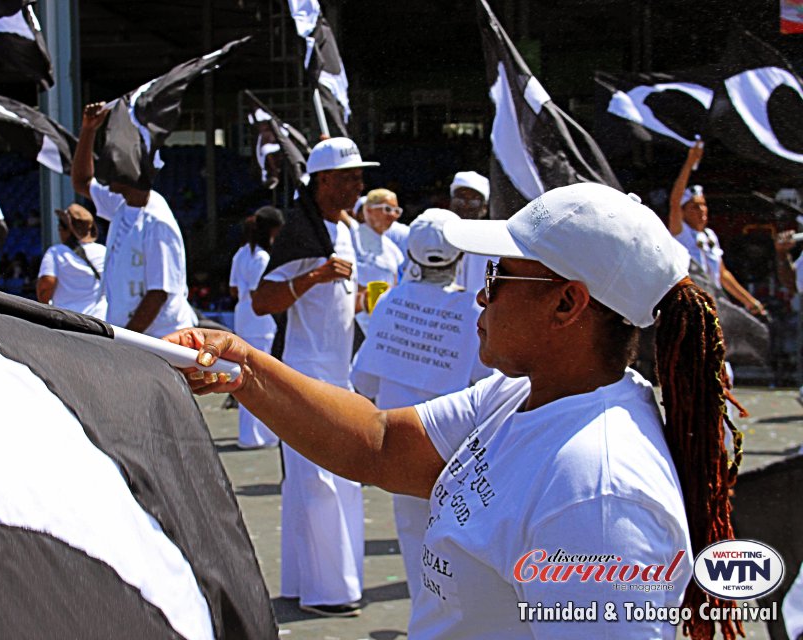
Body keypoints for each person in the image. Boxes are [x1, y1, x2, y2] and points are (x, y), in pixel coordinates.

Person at [169, 183, 744, 640]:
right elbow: (379, 442)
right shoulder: (520, 395)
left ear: (568, 303)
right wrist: (242, 366)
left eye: (498, 275)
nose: (480, 293)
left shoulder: (598, 491)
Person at [249, 136, 378, 618]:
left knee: (330, 479)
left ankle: (316, 584)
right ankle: (330, 592)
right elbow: (263, 301)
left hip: (337, 372)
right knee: (321, 480)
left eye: (359, 176)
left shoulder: (343, 228)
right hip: (305, 372)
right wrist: (315, 276)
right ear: (323, 181)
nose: (358, 184)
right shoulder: (301, 233)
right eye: (350, 177)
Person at [351, 208, 490, 601]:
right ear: (460, 257)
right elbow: (487, 378)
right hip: (456, 446)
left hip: (399, 445)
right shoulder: (474, 310)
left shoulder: (391, 301)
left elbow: (363, 380)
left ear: (410, 256)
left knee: (415, 544)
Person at [71, 102, 195, 337]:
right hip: (135, 340)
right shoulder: (122, 203)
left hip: (161, 342)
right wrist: (89, 129)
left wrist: (126, 340)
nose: (106, 171)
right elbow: (81, 181)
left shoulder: (157, 222)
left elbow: (158, 293)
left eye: (114, 164)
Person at [669, 141, 766, 318]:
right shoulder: (680, 233)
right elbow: (675, 201)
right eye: (695, 207)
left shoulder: (709, 235)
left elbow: (722, 275)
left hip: (711, 302)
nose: (702, 211)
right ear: (683, 212)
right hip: (689, 304)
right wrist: (690, 162)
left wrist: (750, 301)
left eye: (703, 205)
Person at [229, 206, 285, 449]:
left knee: (245, 374)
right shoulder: (262, 258)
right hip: (260, 321)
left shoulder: (241, 254)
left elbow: (234, 289)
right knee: (261, 377)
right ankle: (259, 435)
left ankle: (249, 434)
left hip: (243, 317)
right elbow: (259, 292)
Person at [36, 205, 108, 319]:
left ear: (67, 230)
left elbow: (46, 286)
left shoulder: (56, 252)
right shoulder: (104, 252)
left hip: (68, 322)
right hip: (100, 321)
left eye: (60, 227)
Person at [354, 189, 405, 335]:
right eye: (387, 209)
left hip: (380, 322)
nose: (393, 216)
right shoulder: (352, 237)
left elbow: (395, 283)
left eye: (397, 211)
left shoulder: (393, 250)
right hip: (354, 319)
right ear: (368, 210)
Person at [450, 171, 494, 296]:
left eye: (473, 201)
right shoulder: (436, 235)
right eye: (460, 199)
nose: (465, 206)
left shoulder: (491, 246)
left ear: (484, 208)